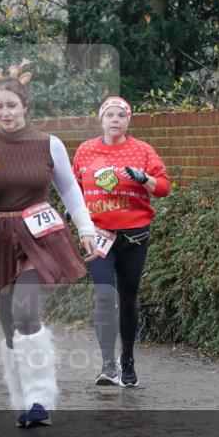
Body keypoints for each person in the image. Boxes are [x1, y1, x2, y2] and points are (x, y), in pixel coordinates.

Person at [0, 61, 97, 427]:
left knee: (25, 309)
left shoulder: (48, 144)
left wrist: (86, 228)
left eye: (12, 105)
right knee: (9, 322)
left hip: (38, 239)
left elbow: (69, 189)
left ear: (25, 106)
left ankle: (41, 398)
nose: (5, 112)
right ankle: (23, 398)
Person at [73, 96, 169, 387]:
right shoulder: (86, 150)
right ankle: (107, 364)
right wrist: (74, 211)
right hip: (98, 236)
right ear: (100, 120)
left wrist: (144, 179)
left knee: (128, 299)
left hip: (134, 235)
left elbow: (164, 188)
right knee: (104, 296)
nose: (115, 120)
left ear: (128, 121)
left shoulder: (142, 151)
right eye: (110, 115)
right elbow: (73, 186)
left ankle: (127, 361)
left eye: (121, 116)